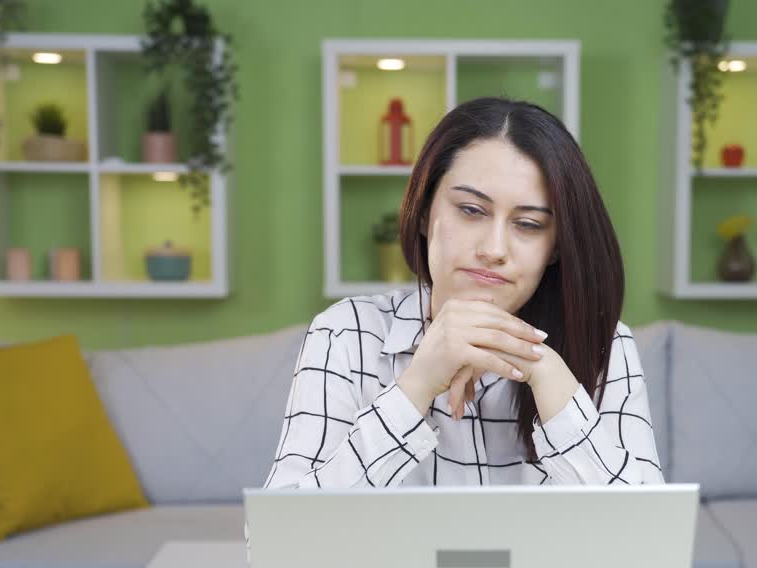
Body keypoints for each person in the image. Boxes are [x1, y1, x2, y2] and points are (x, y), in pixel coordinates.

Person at [264, 97, 661, 489]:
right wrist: (414, 389)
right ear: (423, 212)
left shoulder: (604, 347)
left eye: (527, 224)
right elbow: (278, 546)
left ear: (555, 246)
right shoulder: (345, 335)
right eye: (471, 210)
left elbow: (650, 545)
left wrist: (544, 371)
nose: (493, 249)